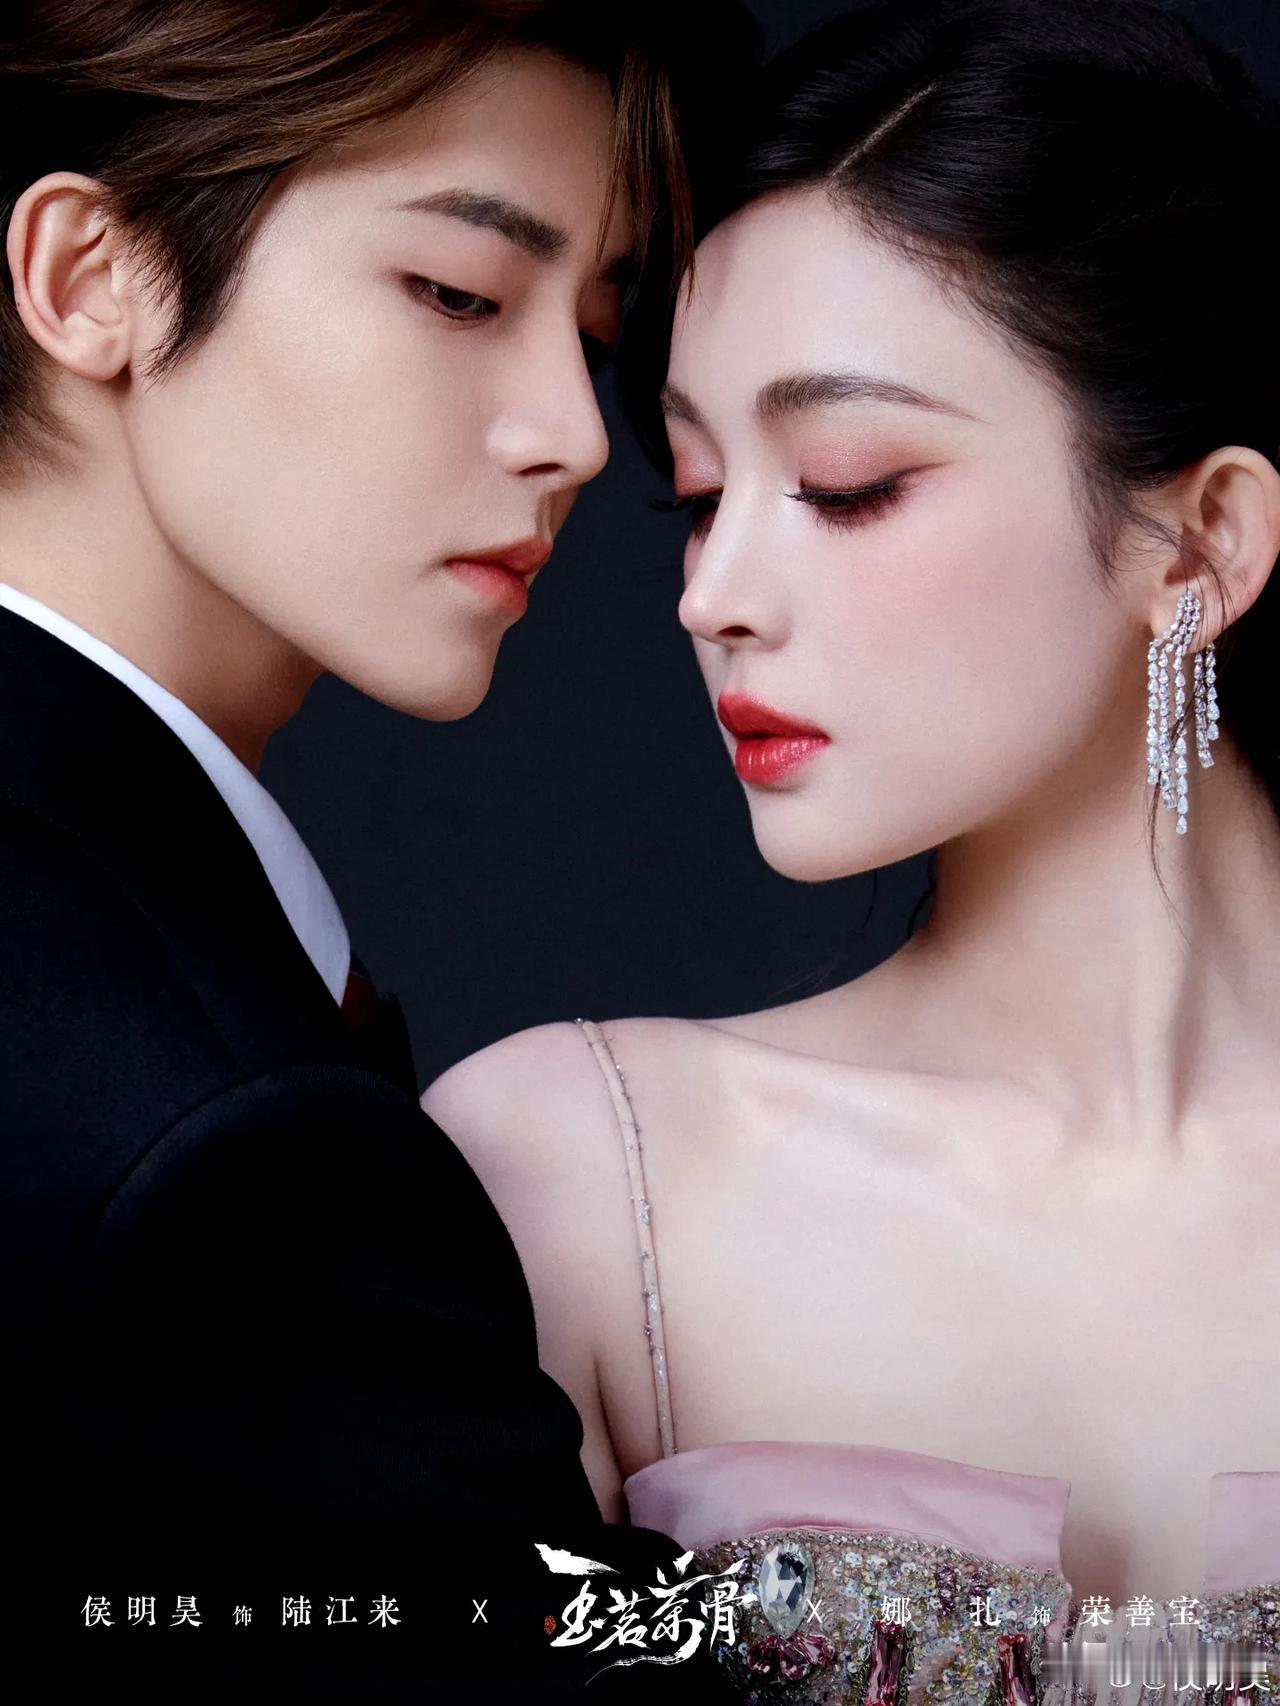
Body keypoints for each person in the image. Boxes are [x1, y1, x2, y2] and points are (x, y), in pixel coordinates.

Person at [423, 1, 1280, 1697]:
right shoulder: (580, 1178)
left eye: (843, 479)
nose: (714, 596)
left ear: (1201, 543)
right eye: (697, 494)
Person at [0, 1, 756, 1698]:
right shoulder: (206, 1136)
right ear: (89, 276)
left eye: (596, 330)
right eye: (461, 294)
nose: (575, 432)